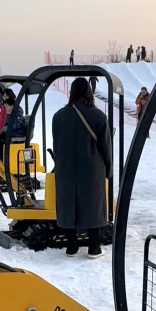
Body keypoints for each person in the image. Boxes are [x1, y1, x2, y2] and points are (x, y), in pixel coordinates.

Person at [52, 76, 111, 257]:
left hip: (66, 169)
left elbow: (56, 145)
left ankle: (71, 246)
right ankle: (94, 247)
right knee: (93, 205)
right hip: (92, 169)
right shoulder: (99, 117)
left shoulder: (58, 117)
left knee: (68, 203)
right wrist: (108, 170)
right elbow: (106, 147)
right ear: (89, 92)